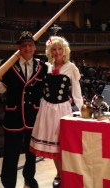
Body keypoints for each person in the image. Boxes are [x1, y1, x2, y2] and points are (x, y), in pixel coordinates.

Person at [0, 31, 47, 188]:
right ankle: (9, 184)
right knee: (11, 154)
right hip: (13, 116)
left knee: (31, 153)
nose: (27, 48)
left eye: (30, 45)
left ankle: (29, 180)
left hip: (33, 117)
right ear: (19, 48)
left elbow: (45, 90)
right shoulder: (8, 65)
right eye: (24, 45)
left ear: (35, 47)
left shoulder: (43, 67)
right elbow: (2, 88)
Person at [29, 36, 83, 187]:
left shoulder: (71, 67)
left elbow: (77, 91)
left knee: (64, 143)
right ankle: (59, 173)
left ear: (64, 50)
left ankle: (67, 173)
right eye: (54, 49)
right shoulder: (45, 67)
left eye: (60, 48)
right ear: (50, 51)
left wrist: (81, 109)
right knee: (54, 145)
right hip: (47, 108)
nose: (57, 52)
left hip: (62, 109)